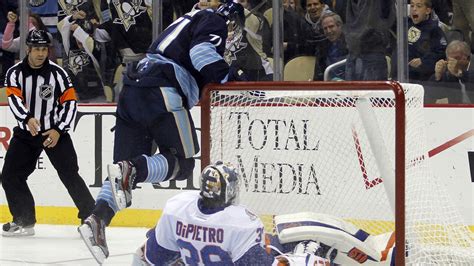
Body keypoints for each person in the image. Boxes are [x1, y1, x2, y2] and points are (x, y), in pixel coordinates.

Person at [78, 1, 248, 264]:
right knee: (183, 163)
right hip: (161, 89)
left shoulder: (182, 23)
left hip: (132, 89)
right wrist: (233, 81)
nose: (233, 31)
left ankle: (97, 219)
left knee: (126, 172)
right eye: (234, 24)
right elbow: (202, 55)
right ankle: (130, 171)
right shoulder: (212, 19)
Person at [131, 161, 332, 265]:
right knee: (291, 254)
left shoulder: (177, 208)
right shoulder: (240, 222)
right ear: (230, 190)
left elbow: (154, 257)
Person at [1, 29, 95, 237]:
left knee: (70, 174)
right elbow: (14, 99)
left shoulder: (58, 74)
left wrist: (59, 129)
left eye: (44, 49)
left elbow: (70, 103)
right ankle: (24, 220)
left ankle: (91, 219)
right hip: (26, 134)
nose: (41, 54)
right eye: (37, 49)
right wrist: (27, 118)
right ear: (28, 49)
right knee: (10, 176)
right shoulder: (14, 73)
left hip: (54, 133)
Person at [344, 0, 395, 81]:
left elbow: (388, 18)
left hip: (373, 54)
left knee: (373, 93)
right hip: (353, 54)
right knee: (350, 93)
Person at [408, 0, 447, 81]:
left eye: (418, 6)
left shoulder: (434, 29)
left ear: (428, 10)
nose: (414, 9)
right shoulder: (405, 25)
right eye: (412, 6)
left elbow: (441, 53)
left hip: (420, 78)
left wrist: (423, 61)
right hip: (400, 75)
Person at [313, 12, 347, 80]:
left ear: (339, 26)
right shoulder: (321, 47)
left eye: (331, 26)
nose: (328, 31)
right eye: (325, 28)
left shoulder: (350, 44)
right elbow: (318, 74)